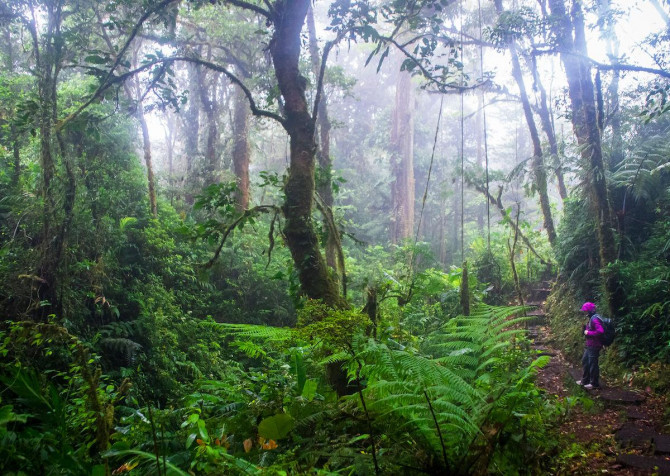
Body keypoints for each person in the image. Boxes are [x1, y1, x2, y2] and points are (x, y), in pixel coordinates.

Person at [576, 302, 604, 389]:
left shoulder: (595, 319)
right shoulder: (592, 318)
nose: (585, 313)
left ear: (590, 311)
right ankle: (585, 380)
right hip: (590, 345)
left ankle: (594, 383)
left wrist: (588, 332)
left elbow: (600, 331)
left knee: (593, 364)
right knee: (585, 361)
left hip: (595, 345)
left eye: (586, 311)